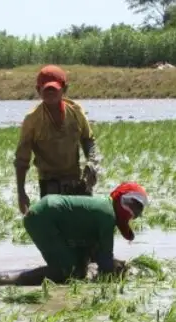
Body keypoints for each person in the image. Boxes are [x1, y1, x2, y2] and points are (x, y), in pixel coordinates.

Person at [0, 182, 148, 286]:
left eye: (137, 210)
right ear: (120, 198)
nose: (132, 212)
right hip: (43, 218)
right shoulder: (107, 215)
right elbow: (105, 262)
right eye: (131, 204)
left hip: (47, 214)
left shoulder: (106, 209)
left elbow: (95, 251)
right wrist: (119, 272)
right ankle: (11, 280)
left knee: (79, 267)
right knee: (66, 271)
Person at [14, 64, 104, 215]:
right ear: (38, 91)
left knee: (82, 228)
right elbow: (22, 160)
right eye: (46, 90)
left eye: (54, 90)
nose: (50, 94)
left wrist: (92, 162)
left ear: (65, 89)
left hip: (76, 180)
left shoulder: (76, 112)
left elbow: (88, 140)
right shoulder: (32, 119)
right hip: (49, 183)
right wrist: (21, 193)